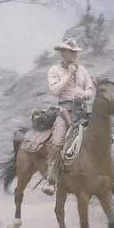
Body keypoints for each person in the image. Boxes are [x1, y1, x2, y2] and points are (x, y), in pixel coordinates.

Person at [41, 37, 94, 196]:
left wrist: (83, 94)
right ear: (63, 52)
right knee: (57, 142)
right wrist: (69, 74)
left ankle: (110, 178)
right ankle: (51, 180)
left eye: (75, 52)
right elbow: (55, 91)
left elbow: (90, 91)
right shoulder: (54, 70)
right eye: (71, 52)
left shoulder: (83, 70)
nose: (74, 54)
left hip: (82, 110)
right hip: (64, 111)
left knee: (104, 138)